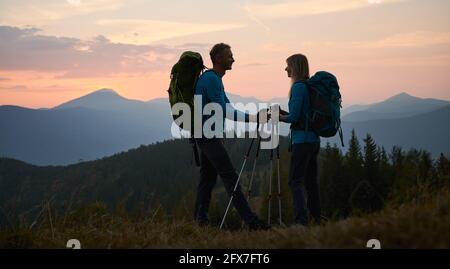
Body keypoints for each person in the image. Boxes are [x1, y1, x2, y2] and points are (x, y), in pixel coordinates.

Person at [193, 43, 270, 230]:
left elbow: (228, 107)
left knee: (207, 179)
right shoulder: (211, 80)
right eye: (229, 56)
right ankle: (251, 222)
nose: (233, 59)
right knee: (230, 176)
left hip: (206, 135)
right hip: (207, 135)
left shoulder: (215, 79)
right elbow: (225, 111)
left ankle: (199, 221)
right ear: (218, 58)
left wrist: (256, 116)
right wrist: (254, 118)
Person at [278, 54, 321, 226]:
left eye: (288, 65)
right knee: (311, 182)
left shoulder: (297, 88)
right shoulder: (308, 86)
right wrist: (285, 114)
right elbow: (302, 116)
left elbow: (294, 118)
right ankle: (316, 218)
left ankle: (301, 221)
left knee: (295, 181)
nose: (286, 69)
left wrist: (278, 117)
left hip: (301, 142)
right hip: (313, 140)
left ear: (295, 67)